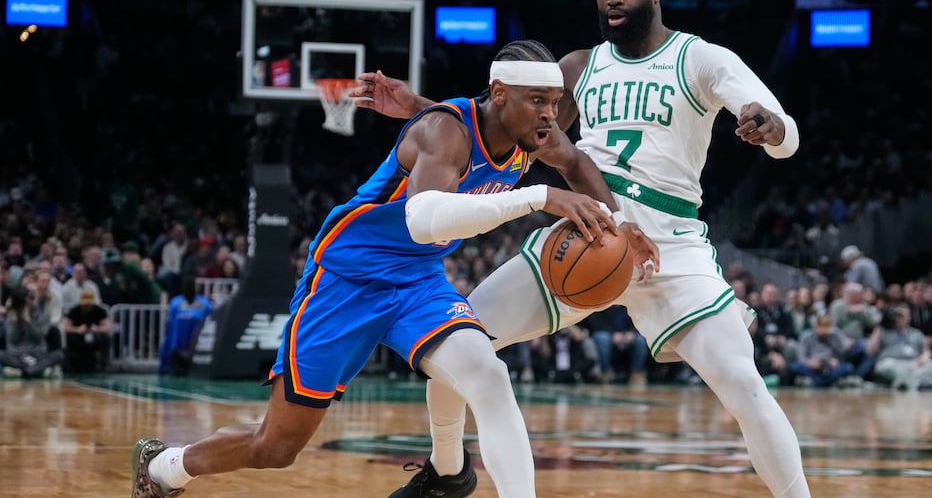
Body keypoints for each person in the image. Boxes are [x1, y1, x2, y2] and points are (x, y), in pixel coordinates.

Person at [352, 0, 811, 497]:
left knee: (742, 382)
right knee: (459, 337)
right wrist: (421, 109)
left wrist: (771, 128)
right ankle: (446, 471)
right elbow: (503, 129)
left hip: (669, 247)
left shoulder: (701, 59)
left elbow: (785, 133)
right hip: (584, 233)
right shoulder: (576, 66)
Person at [129, 39, 640, 498]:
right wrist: (540, 197)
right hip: (347, 278)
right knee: (276, 447)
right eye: (539, 103)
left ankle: (450, 474)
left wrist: (619, 225)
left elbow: (574, 162)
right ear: (500, 93)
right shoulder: (445, 130)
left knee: (488, 374)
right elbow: (425, 218)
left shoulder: (530, 134)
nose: (551, 117)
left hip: (418, 282)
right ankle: (166, 467)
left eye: (554, 104)